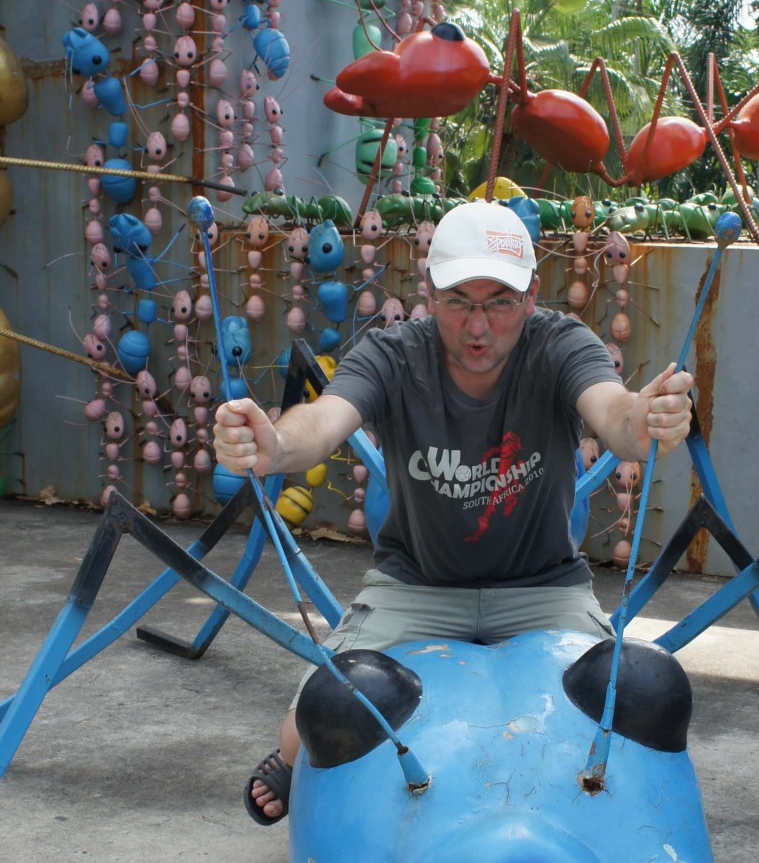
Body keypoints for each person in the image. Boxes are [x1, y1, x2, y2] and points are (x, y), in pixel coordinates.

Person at [213, 200, 694, 824]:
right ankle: (292, 763)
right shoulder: (393, 354)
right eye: (458, 301)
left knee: (620, 704)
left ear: (531, 296)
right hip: (417, 586)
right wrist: (275, 444)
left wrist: (643, 420)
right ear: (429, 293)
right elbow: (325, 419)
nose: (478, 326)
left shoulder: (559, 343)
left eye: (500, 302)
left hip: (542, 588)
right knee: (309, 724)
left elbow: (614, 412)